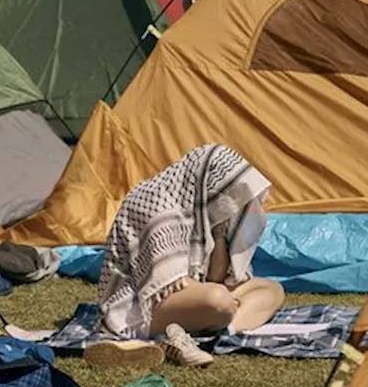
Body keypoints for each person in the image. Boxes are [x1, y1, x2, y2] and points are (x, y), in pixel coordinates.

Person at [84, 144, 285, 369]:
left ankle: (214, 333)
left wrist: (219, 231)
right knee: (218, 300)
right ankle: (202, 328)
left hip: (192, 295)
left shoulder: (203, 211)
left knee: (271, 289)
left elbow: (216, 277)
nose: (230, 202)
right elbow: (168, 284)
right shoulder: (154, 203)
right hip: (139, 306)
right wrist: (219, 297)